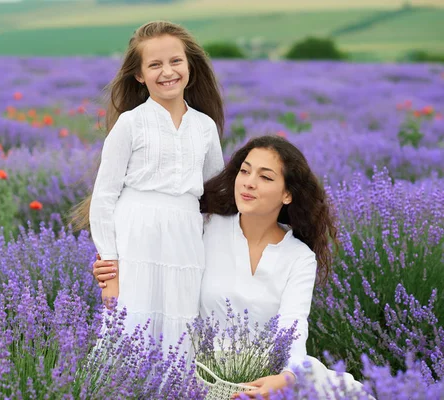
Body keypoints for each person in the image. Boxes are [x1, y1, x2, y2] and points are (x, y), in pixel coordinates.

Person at [94, 136, 368, 399]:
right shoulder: (204, 227)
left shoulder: (299, 257)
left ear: (287, 194)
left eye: (265, 177)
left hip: (266, 374)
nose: (249, 183)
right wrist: (112, 264)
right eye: (244, 172)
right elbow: (151, 259)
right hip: (199, 373)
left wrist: (286, 377)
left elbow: (293, 327)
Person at [71, 20, 225, 356]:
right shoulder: (131, 123)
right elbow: (105, 197)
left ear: (190, 67)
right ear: (139, 75)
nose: (167, 71)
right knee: (130, 326)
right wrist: (109, 265)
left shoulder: (204, 127)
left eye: (175, 61)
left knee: (181, 329)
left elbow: (215, 199)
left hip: (186, 241)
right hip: (136, 238)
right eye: (154, 64)